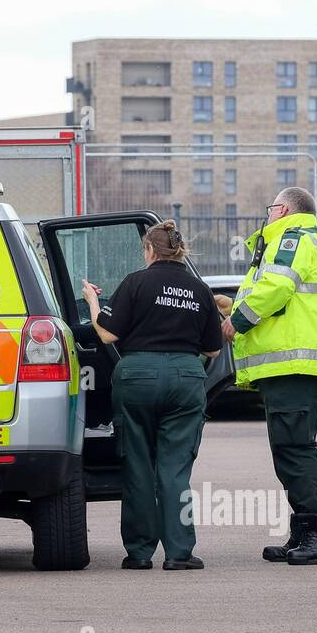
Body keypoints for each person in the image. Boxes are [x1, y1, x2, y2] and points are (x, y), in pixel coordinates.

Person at [81, 220, 223, 571]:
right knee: (175, 469)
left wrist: (92, 303)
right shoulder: (199, 289)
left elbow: (107, 335)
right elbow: (213, 350)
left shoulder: (135, 282)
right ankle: (179, 554)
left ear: (149, 250)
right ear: (180, 251)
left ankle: (140, 552)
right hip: (185, 379)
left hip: (137, 377)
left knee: (138, 465)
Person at [222, 186, 317, 565]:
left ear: (284, 209)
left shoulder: (291, 239)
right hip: (297, 367)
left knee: (295, 448)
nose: (267, 213)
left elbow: (276, 288)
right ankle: (304, 531)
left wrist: (237, 322)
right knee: (291, 448)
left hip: (296, 366)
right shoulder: (301, 241)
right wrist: (233, 304)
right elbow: (279, 294)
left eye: (271, 206)